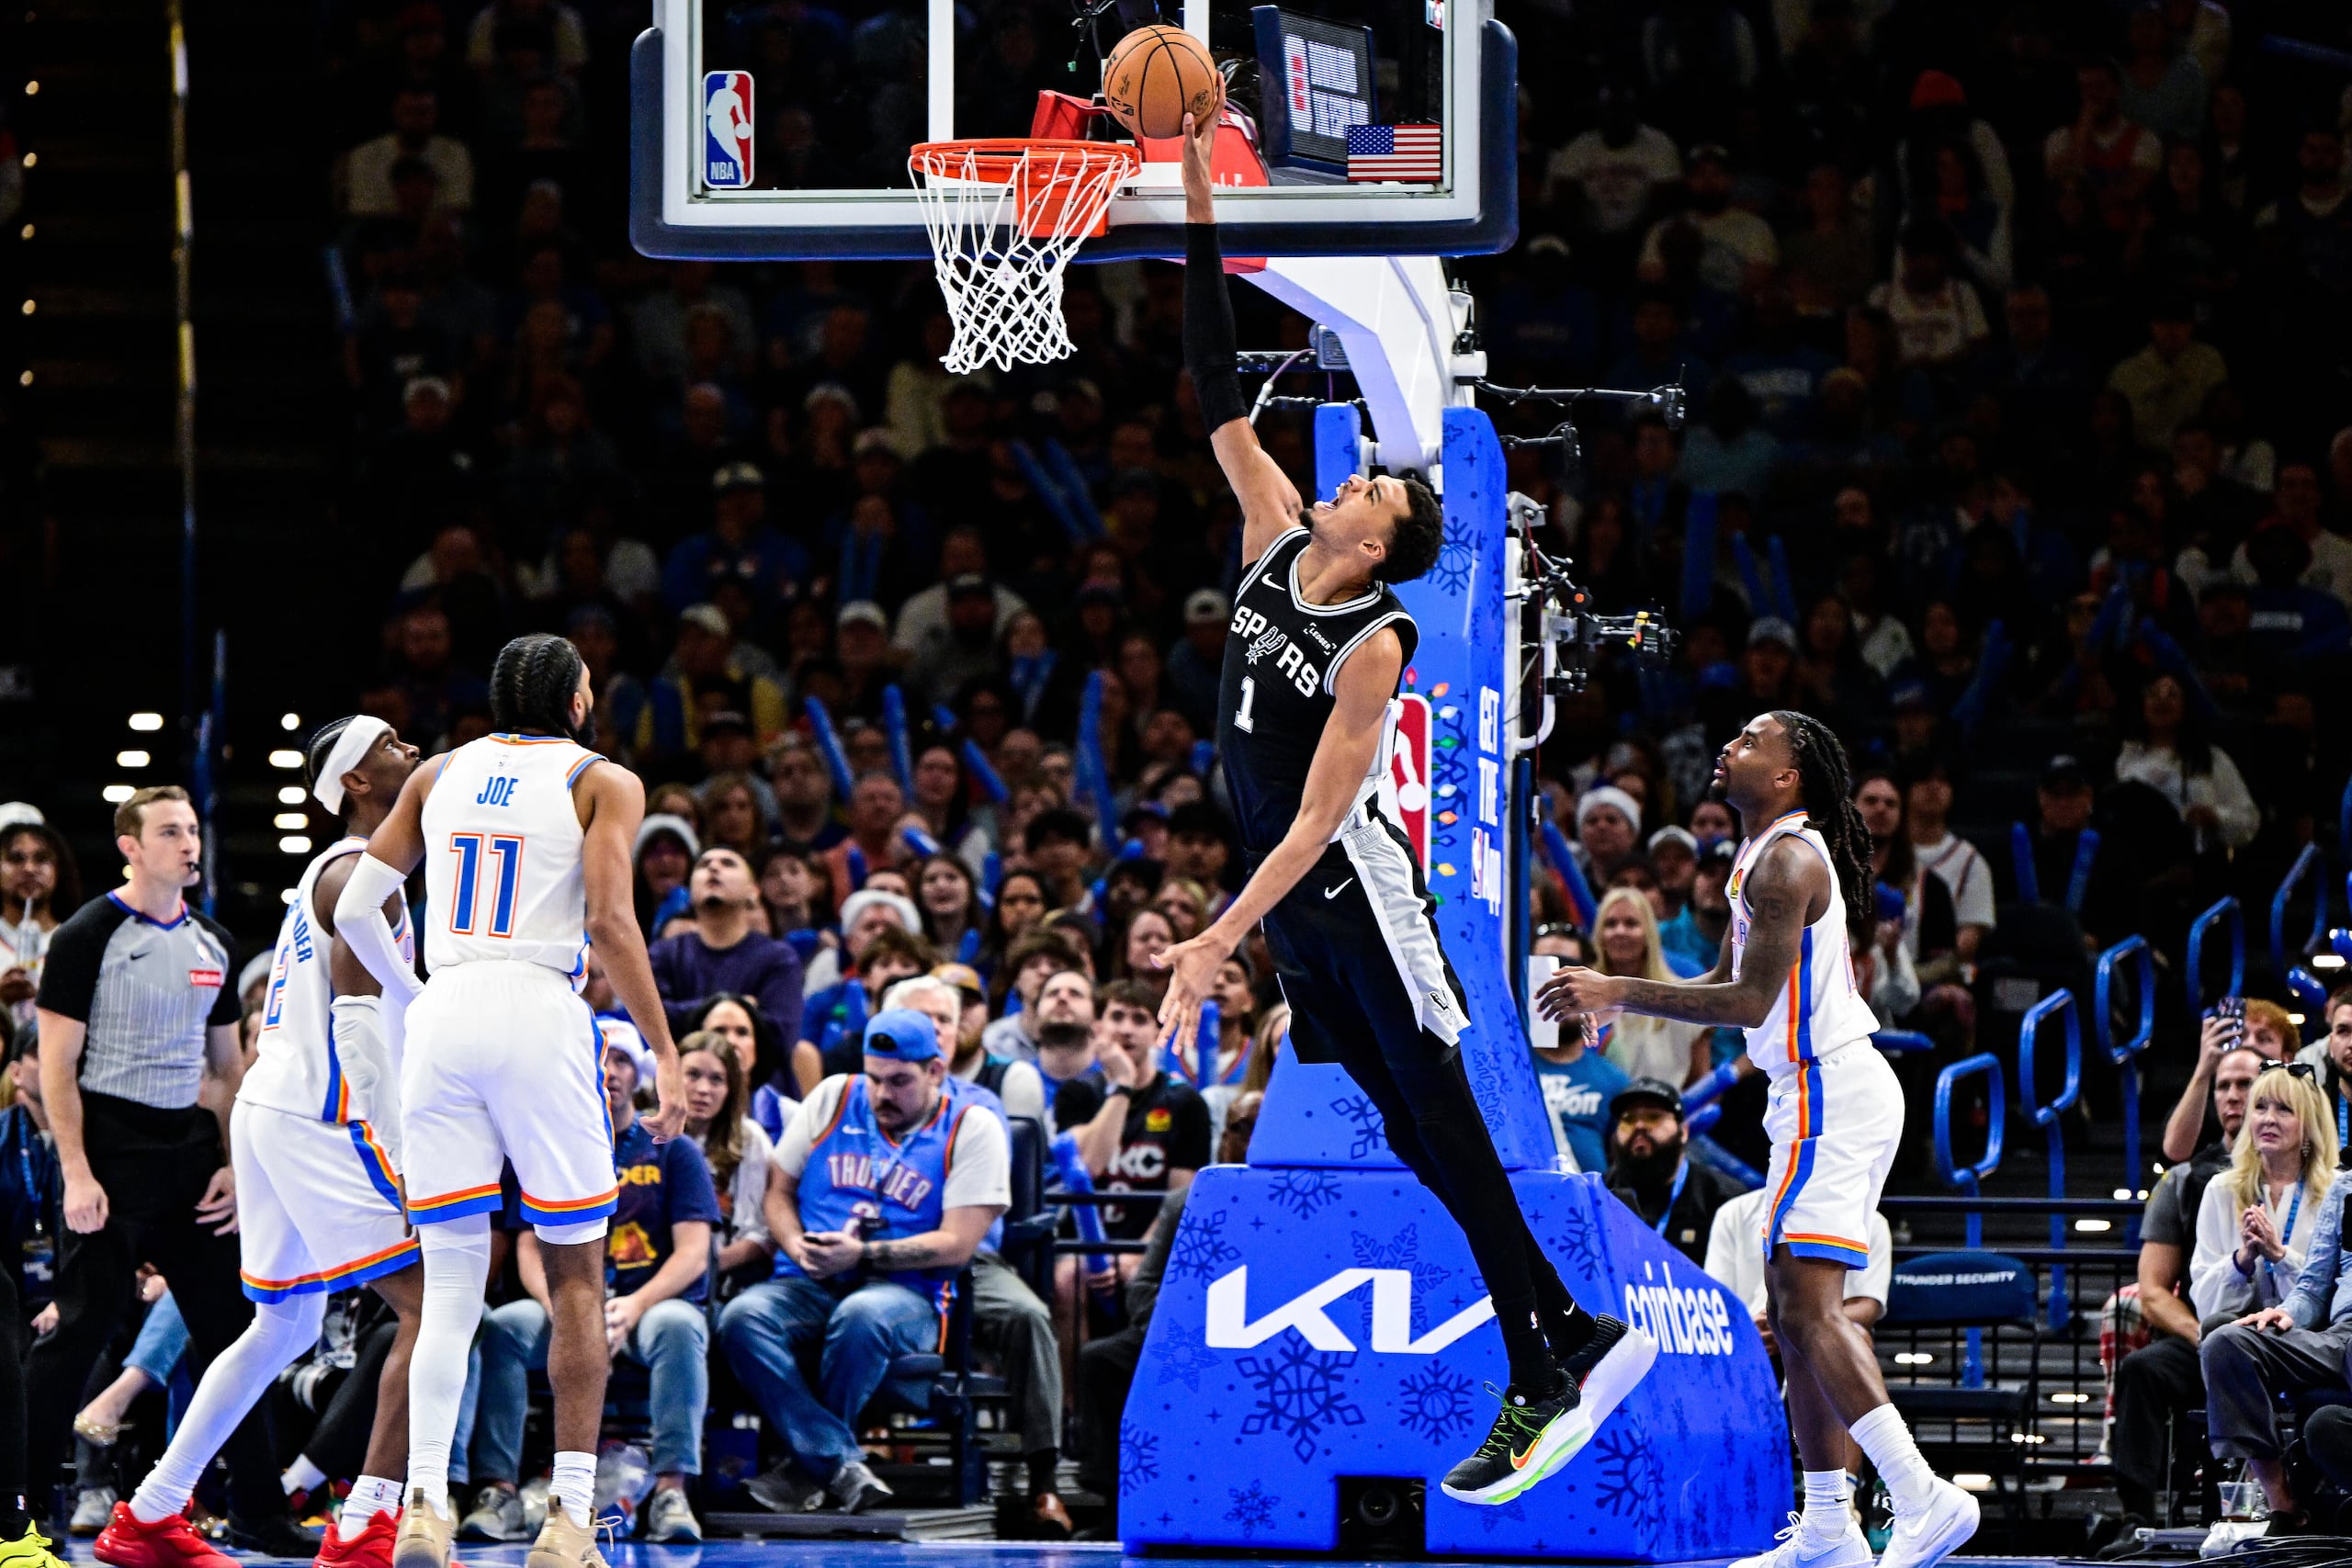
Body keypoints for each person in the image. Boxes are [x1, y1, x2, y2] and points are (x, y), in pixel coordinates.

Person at [1150, 113, 1651, 1507]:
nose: (1345, 477)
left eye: (1367, 483)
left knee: (1440, 1113)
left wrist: (1211, 942)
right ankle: (1560, 1335)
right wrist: (1197, 215)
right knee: (1406, 1127)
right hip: (1298, 907)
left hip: (1355, 886)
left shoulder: (1377, 635)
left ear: (1380, 537)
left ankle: (1555, 1349)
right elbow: (1209, 390)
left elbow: (1313, 826)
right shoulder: (1266, 544)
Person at [1543, 710, 1979, 1568]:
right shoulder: (1762, 852)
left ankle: (1922, 1493)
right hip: (1807, 1090)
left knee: (1809, 1309)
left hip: (1829, 1087)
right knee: (1790, 1303)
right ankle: (1828, 1527)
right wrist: (1617, 996)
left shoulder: (1785, 858)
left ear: (1788, 776)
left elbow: (1744, 1003)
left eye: (1750, 741)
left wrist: (1615, 986)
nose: (1728, 747)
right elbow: (1730, 981)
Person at [334, 633, 686, 1568]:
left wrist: (417, 996)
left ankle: (422, 1508)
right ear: (575, 702)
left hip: (445, 1011)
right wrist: (661, 1047)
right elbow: (611, 921)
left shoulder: (437, 773)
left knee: (449, 1290)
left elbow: (355, 909)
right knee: (576, 1277)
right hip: (537, 1009)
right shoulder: (602, 780)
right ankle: (569, 1523)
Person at [96, 721, 433, 1568]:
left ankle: (150, 1511)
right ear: (354, 779)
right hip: (323, 1115)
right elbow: (360, 1026)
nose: (410, 745)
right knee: (435, 1307)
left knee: (283, 1325)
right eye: (389, 742)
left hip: (274, 1106)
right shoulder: (359, 871)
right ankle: (366, 1528)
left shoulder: (339, 872)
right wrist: (403, 1146)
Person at [29, 786, 295, 1562]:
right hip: (108, 1147)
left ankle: (259, 1512)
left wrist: (234, 1169)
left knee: (236, 1334)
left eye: (191, 830)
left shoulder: (212, 941)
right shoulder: (88, 935)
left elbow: (226, 1073)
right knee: (79, 1331)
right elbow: (56, 1067)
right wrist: (76, 1172)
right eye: (169, 831)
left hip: (188, 1155)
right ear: (130, 847)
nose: (189, 843)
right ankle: (25, 1512)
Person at [720, 1010, 1009, 1516]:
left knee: (862, 1316)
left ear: (936, 1072)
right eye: (874, 1078)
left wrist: (865, 1255)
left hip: (907, 1295)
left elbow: (959, 1244)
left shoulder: (973, 1126)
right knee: (742, 1316)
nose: (880, 1095)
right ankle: (840, 1466)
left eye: (899, 1082)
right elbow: (777, 1193)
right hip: (809, 1281)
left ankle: (807, 1467)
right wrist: (794, 1244)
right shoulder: (834, 1097)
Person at [462, 1046, 716, 1546]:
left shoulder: (672, 1148)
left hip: (645, 1306)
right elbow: (528, 1247)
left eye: (621, 1060)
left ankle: (671, 1491)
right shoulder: (548, 1144)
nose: (609, 1071)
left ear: (637, 1075)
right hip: (567, 1303)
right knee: (505, 1326)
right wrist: (564, 1312)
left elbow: (693, 1252)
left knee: (680, 1325)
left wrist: (634, 1305)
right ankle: (498, 1490)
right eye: (598, 1059)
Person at [2099, 1045, 2262, 1537]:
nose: (2234, 1096)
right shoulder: (2189, 1179)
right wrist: (2205, 1339)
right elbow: (2152, 1290)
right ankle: (2136, 1517)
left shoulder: (2301, 1172)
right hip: (2206, 1333)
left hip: (2282, 1335)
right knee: (2142, 1369)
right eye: (2224, 1086)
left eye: (2246, 1084)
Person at [1076, 980, 1209, 1247]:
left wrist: (1141, 1254)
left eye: (1139, 1020)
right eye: (1116, 1017)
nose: (1126, 1030)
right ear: (1097, 1027)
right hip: (1084, 1244)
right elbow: (1088, 1167)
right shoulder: (1078, 1093)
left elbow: (1180, 1199)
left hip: (1152, 1247)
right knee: (1067, 1278)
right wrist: (1123, 1084)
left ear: (1158, 1032)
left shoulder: (1186, 1102)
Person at [649, 847, 806, 1043]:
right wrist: (736, 1006)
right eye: (704, 865)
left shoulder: (779, 958)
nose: (714, 867)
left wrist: (688, 1013)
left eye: (728, 864)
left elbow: (781, 1035)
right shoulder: (664, 954)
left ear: (753, 890)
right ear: (689, 890)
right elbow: (651, 1022)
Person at [1601, 1079, 1747, 1261]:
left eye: (1653, 1117)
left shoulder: (1723, 1197)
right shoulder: (1598, 1193)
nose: (1639, 1126)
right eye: (1628, 1119)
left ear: (1684, 1131)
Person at [677, 1031, 776, 1292]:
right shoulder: (646, 1136)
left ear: (731, 1089)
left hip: (724, 1278)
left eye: (717, 1079)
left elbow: (762, 1234)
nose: (703, 1090)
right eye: (693, 1075)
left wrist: (696, 1265)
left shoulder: (749, 1140)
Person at [1589, 888, 1712, 1086]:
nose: (1620, 931)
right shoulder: (1582, 995)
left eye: (1631, 923)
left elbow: (1702, 1077)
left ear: (1649, 933)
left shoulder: (1680, 996)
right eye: (1610, 924)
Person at [2164, 1000, 2293, 1161]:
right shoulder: (2208, 1102)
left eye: (2264, 1039)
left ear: (2286, 1059)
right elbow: (2175, 1152)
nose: (2249, 1044)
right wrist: (2203, 1070)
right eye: (2240, 1036)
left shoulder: (2300, 1107)